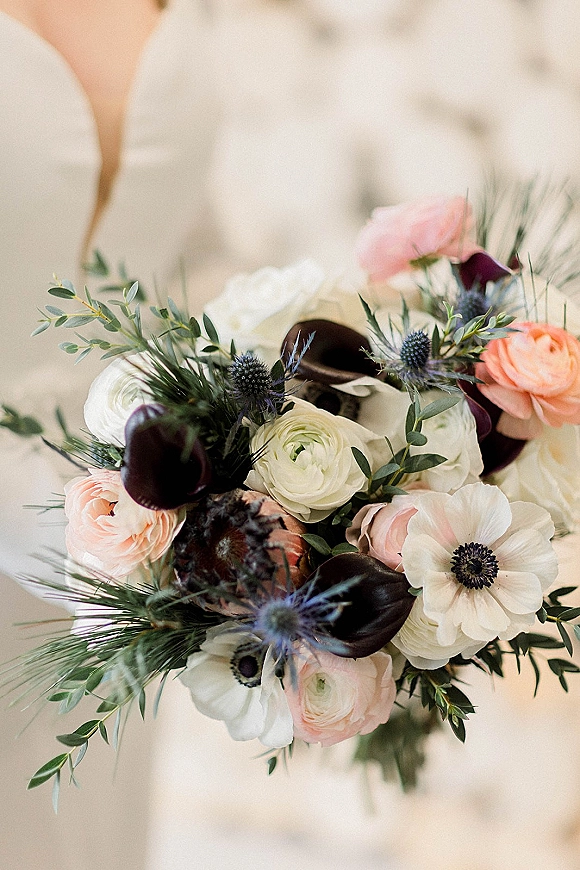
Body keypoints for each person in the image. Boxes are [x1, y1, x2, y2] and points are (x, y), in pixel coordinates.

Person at [0, 2, 220, 867]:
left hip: (134, 515)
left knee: (82, 829)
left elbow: (181, 234)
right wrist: (45, 513)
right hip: (77, 523)